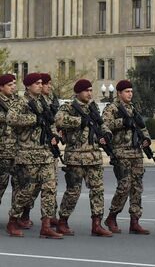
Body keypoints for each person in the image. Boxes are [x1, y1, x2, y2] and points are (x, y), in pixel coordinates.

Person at [6, 73, 62, 239]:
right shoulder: (20, 102)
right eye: (36, 83)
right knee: (27, 191)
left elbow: (49, 122)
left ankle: (46, 225)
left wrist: (54, 135)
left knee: (50, 189)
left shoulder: (43, 102)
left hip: (45, 153)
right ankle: (12, 220)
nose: (40, 85)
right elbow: (11, 119)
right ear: (28, 86)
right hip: (28, 153)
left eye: (40, 83)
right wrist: (33, 119)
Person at [55, 79, 112, 237]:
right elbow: (58, 120)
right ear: (78, 92)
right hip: (76, 157)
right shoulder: (68, 107)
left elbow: (101, 124)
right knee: (73, 191)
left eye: (91, 90)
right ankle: (63, 221)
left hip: (93, 156)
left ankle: (97, 224)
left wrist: (107, 133)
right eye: (86, 90)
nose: (89, 93)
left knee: (98, 190)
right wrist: (80, 121)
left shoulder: (93, 108)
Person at [102, 80, 152, 235]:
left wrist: (146, 139)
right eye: (126, 91)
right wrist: (122, 121)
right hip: (121, 152)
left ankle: (135, 221)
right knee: (124, 186)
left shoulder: (134, 109)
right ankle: (112, 216)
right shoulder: (112, 108)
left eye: (131, 91)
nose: (130, 94)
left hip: (136, 152)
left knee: (137, 187)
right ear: (119, 93)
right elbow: (104, 125)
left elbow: (142, 127)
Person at [0, 75, 20, 223]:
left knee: (19, 184)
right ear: (1, 87)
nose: (13, 86)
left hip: (18, 150)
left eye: (14, 84)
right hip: (2, 150)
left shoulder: (17, 101)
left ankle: (15, 217)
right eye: (9, 84)